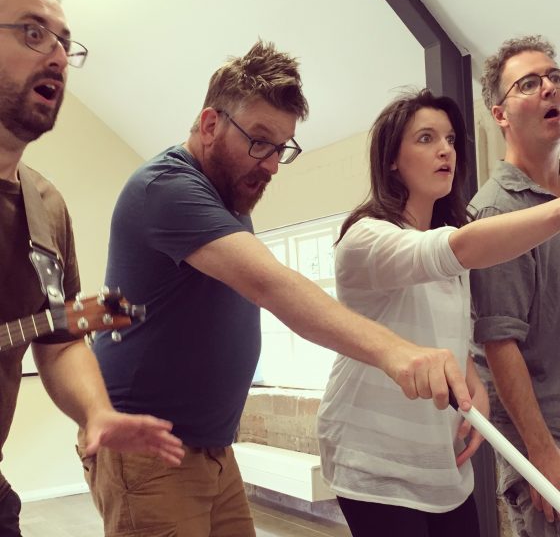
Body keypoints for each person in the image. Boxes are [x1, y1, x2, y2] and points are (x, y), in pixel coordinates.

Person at [87, 41, 477, 537]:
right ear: (210, 125)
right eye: (260, 141)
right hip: (148, 446)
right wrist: (398, 354)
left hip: (211, 446)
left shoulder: (230, 196)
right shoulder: (166, 188)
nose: (271, 163)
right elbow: (272, 284)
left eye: (282, 147)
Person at [316, 88, 560, 537]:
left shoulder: (451, 244)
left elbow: (445, 328)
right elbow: (458, 250)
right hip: (374, 462)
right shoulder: (367, 238)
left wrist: (474, 383)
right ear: (392, 157)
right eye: (426, 138)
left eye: (449, 139)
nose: (445, 149)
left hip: (441, 463)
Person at [0, 0, 186, 535]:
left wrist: (96, 412)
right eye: (34, 32)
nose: (57, 55)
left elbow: (59, 343)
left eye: (64, 42)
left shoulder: (45, 207)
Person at [469, 35, 560, 536]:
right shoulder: (494, 213)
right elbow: (500, 344)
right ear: (500, 114)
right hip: (548, 442)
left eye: (554, 77)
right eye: (530, 83)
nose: (549, 88)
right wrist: (542, 456)